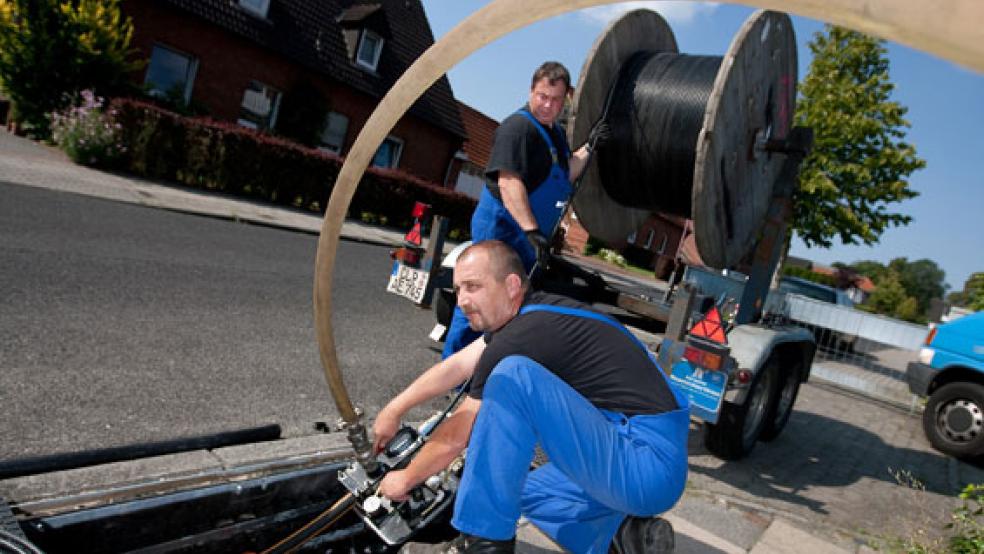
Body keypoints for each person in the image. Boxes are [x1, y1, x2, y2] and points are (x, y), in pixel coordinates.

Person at [374, 241, 689, 554]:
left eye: (473, 286)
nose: (462, 301)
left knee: (513, 376)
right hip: (638, 458)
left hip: (645, 462)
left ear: (511, 285)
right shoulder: (535, 316)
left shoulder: (525, 334)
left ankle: (482, 544)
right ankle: (625, 537)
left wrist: (406, 478)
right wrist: (394, 409)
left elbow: (459, 431)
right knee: (523, 490)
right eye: (458, 290)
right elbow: (456, 365)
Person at [442, 61, 611, 359]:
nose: (547, 105)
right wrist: (532, 231)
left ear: (566, 99)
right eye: (542, 96)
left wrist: (589, 146)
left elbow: (567, 171)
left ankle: (486, 368)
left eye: (556, 99)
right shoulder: (517, 129)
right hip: (502, 231)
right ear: (531, 90)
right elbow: (509, 183)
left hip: (525, 239)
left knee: (508, 306)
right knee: (479, 301)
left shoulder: (555, 135)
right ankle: (455, 371)